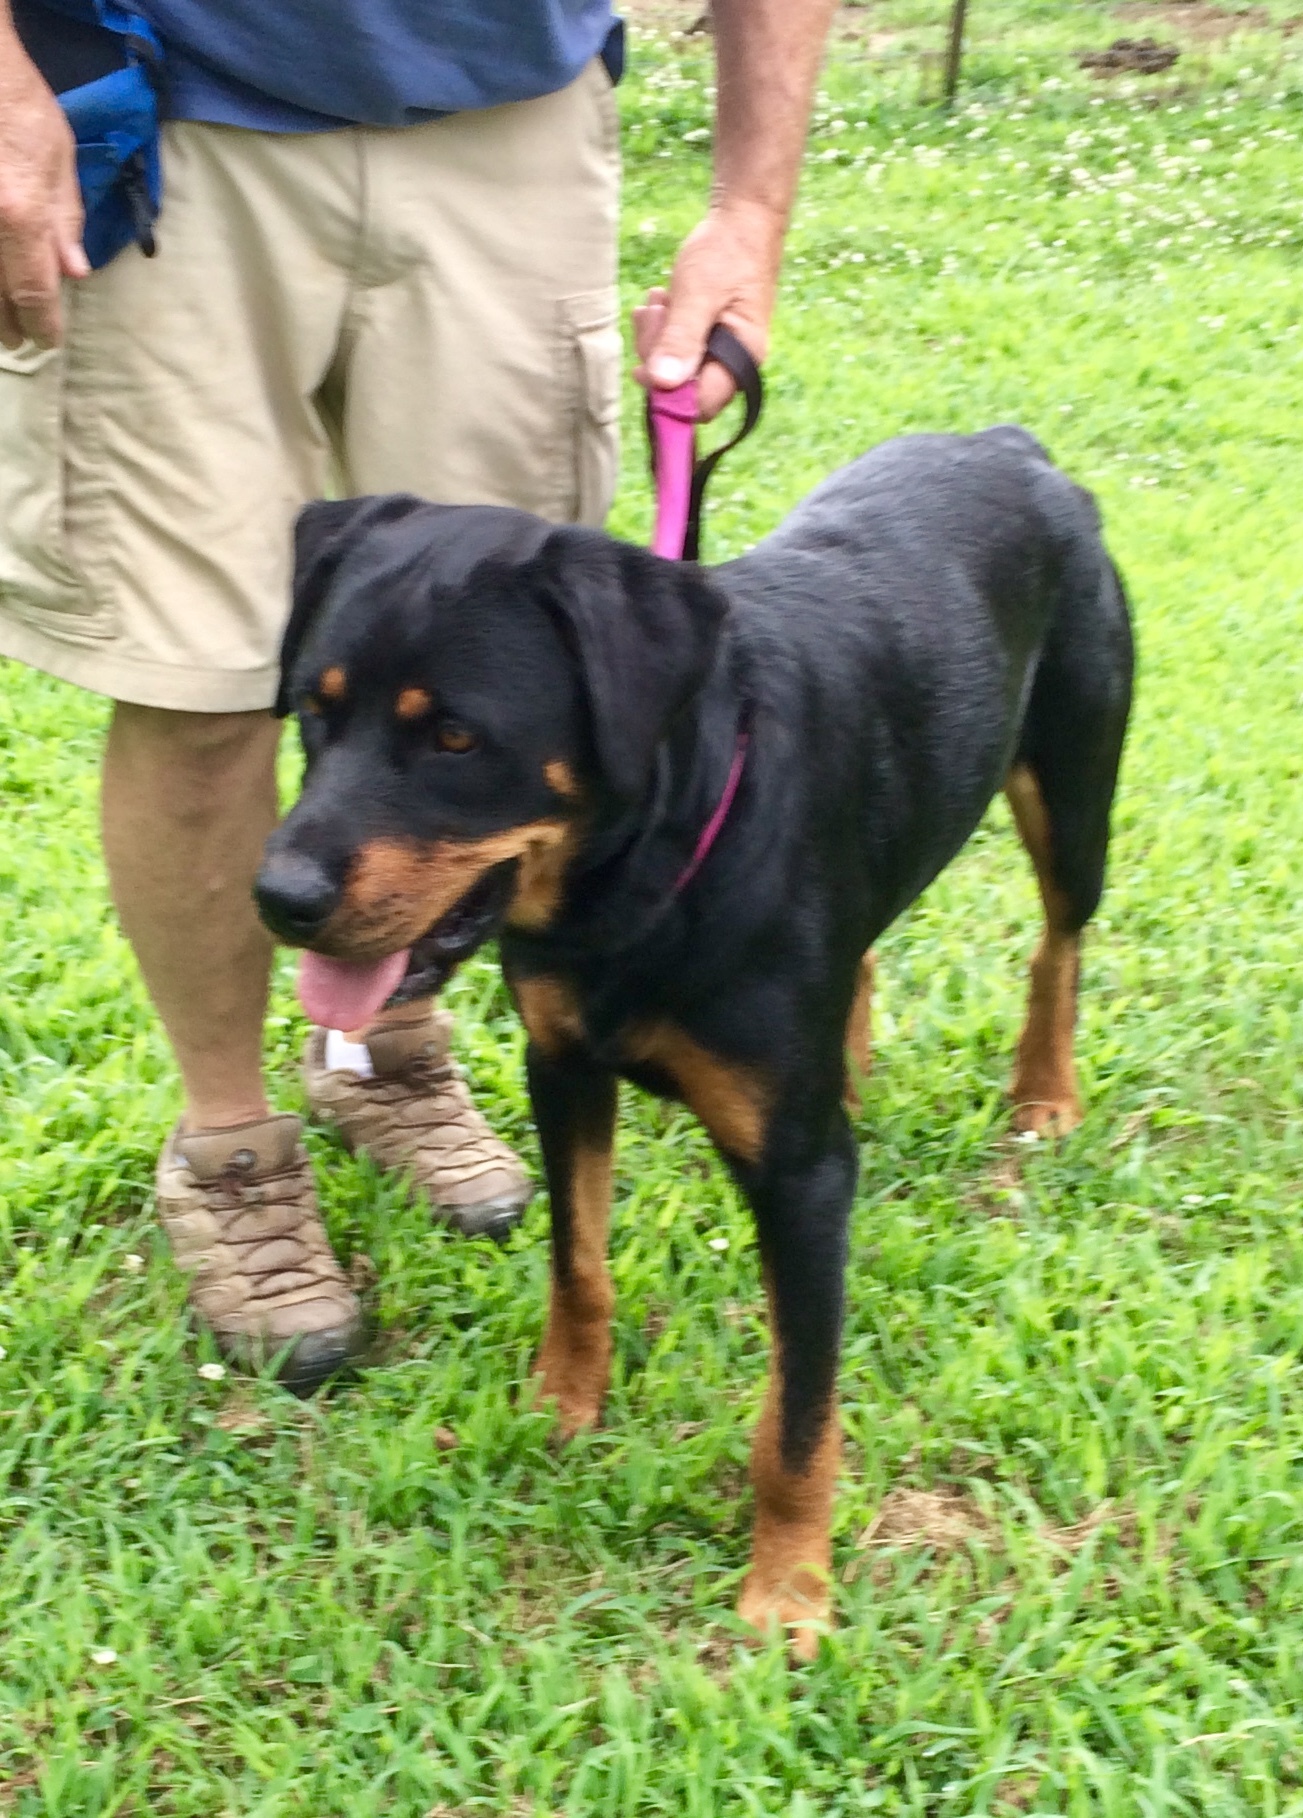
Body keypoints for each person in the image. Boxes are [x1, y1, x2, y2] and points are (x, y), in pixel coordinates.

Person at [0, 0, 838, 1392]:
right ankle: (233, 1149)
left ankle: (386, 1050)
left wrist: (751, 203)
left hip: (507, 116)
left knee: (494, 678)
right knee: (197, 678)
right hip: (159, 116)